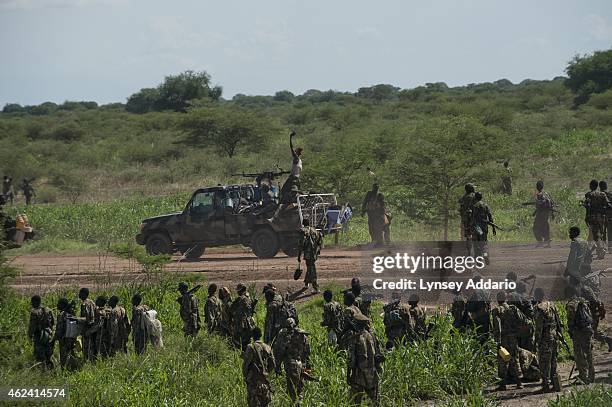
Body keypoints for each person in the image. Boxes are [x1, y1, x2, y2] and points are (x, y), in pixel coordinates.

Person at [346, 312, 381, 406]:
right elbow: (378, 354)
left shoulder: (354, 338)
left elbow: (351, 360)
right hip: (372, 373)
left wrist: (348, 374)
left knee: (355, 402)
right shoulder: (372, 336)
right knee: (375, 401)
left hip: (359, 374)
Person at [273, 318, 311, 403]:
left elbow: (280, 351)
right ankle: (299, 403)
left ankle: (294, 403)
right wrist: (308, 365)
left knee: (292, 389)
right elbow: (307, 351)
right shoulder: (302, 335)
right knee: (300, 388)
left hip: (291, 365)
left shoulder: (284, 336)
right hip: (302, 363)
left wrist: (278, 365)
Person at [565, 285, 595, 384]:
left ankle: (583, 377)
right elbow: (590, 316)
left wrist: (571, 332)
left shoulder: (570, 305)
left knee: (579, 354)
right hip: (588, 330)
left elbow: (571, 321)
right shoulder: (583, 301)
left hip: (579, 332)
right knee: (588, 353)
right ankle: (591, 376)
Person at [533, 288, 561, 392]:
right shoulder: (552, 305)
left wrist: (536, 341)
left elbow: (539, 327)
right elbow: (558, 322)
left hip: (545, 338)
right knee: (553, 360)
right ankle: (556, 384)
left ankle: (545, 385)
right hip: (554, 336)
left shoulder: (538, 308)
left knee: (544, 362)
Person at [497, 293, 525, 390]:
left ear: (497, 300)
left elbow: (497, 327)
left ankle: (502, 384)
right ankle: (519, 382)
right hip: (513, 338)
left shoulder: (497, 310)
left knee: (502, 361)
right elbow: (522, 319)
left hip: (503, 339)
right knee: (515, 359)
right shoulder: (513, 308)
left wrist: (497, 341)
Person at [243, 327, 276, 407]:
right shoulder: (268, 347)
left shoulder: (251, 347)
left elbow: (245, 365)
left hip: (254, 382)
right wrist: (266, 372)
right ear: (261, 335)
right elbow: (273, 365)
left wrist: (246, 376)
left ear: (252, 336)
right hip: (265, 382)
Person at [580, 285, 612, 352]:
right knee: (593, 333)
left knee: (592, 333)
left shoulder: (583, 290)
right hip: (594, 316)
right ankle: (608, 340)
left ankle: (608, 340)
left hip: (591, 316)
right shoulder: (588, 289)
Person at [583, 179, 609, 259]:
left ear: (591, 186)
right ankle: (589, 252)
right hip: (601, 217)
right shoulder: (602, 194)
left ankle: (601, 250)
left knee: (594, 235)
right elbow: (607, 205)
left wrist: (586, 216)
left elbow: (588, 206)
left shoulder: (589, 194)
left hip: (592, 217)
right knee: (596, 234)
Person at [27, 295, 54, 369]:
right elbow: (52, 323)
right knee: (49, 355)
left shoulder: (34, 312)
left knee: (39, 356)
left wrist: (30, 336)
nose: (32, 304)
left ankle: (42, 373)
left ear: (36, 302)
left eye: (32, 302)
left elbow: (32, 327)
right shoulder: (48, 310)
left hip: (39, 336)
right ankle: (51, 371)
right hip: (48, 335)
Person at [297, 218, 323, 292]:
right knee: (310, 267)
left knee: (311, 269)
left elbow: (301, 244)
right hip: (314, 254)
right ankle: (306, 283)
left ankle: (315, 287)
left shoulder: (303, 231)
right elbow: (319, 242)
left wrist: (299, 256)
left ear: (303, 224)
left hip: (308, 254)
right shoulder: (314, 230)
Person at [53, 298, 78, 369]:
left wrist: (54, 339)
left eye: (59, 303)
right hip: (71, 339)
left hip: (64, 340)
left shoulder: (62, 315)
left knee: (64, 358)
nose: (57, 305)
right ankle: (73, 369)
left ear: (62, 305)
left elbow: (59, 330)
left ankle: (65, 371)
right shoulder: (71, 313)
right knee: (71, 354)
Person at [230, 283, 257, 350]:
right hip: (249, 323)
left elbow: (231, 308)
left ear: (241, 290)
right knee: (247, 341)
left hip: (240, 324)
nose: (237, 292)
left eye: (238, 291)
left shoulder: (240, 299)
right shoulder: (249, 298)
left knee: (238, 342)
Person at [471, 192, 495, 263]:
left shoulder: (474, 206)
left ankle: (478, 259)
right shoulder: (485, 206)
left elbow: (472, 218)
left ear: (475, 198)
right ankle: (485, 255)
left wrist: (470, 228)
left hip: (477, 227)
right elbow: (490, 217)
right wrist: (493, 227)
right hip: (484, 227)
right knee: (484, 244)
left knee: (476, 244)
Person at [532, 180, 554, 247]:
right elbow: (552, 203)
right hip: (547, 213)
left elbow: (539, 205)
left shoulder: (539, 195)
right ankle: (547, 241)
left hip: (541, 214)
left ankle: (540, 241)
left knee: (536, 227)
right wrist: (552, 213)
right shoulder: (546, 194)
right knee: (545, 226)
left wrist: (535, 211)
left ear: (537, 187)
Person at [78, 287, 96, 362]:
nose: (79, 294)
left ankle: (87, 361)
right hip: (92, 328)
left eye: (80, 293)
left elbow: (86, 318)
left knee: (86, 348)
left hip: (87, 328)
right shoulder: (91, 302)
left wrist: (76, 319)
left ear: (84, 294)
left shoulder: (84, 304)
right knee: (91, 346)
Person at [458, 183, 476, 254]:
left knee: (466, 235)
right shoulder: (473, 197)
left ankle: (468, 251)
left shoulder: (463, 197)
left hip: (465, 219)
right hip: (473, 219)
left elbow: (460, 203)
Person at [600, 181, 612, 251]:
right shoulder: (610, 194)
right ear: (606, 186)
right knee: (610, 232)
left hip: (601, 215)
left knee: (602, 232)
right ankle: (610, 248)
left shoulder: (597, 194)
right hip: (610, 215)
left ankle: (603, 247)